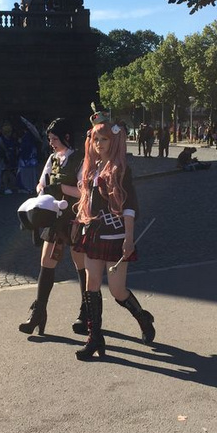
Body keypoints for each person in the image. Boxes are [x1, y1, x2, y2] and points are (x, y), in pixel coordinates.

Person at [73, 111, 155, 360]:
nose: (99, 145)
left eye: (104, 140)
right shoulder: (91, 168)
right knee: (91, 286)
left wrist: (129, 239)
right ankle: (95, 338)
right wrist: (78, 221)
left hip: (116, 236)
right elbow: (86, 201)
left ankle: (143, 317)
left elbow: (129, 206)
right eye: (96, 140)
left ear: (114, 141)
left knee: (117, 292)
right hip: (94, 234)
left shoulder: (121, 170)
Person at [18, 118, 88, 336]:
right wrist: (42, 189)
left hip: (75, 216)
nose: (52, 143)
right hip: (55, 217)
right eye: (50, 139)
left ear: (67, 137)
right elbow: (42, 182)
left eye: (55, 139)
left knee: (81, 264)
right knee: (46, 262)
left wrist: (61, 187)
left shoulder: (80, 160)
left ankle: (86, 312)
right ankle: (39, 312)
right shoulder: (52, 158)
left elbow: (84, 192)